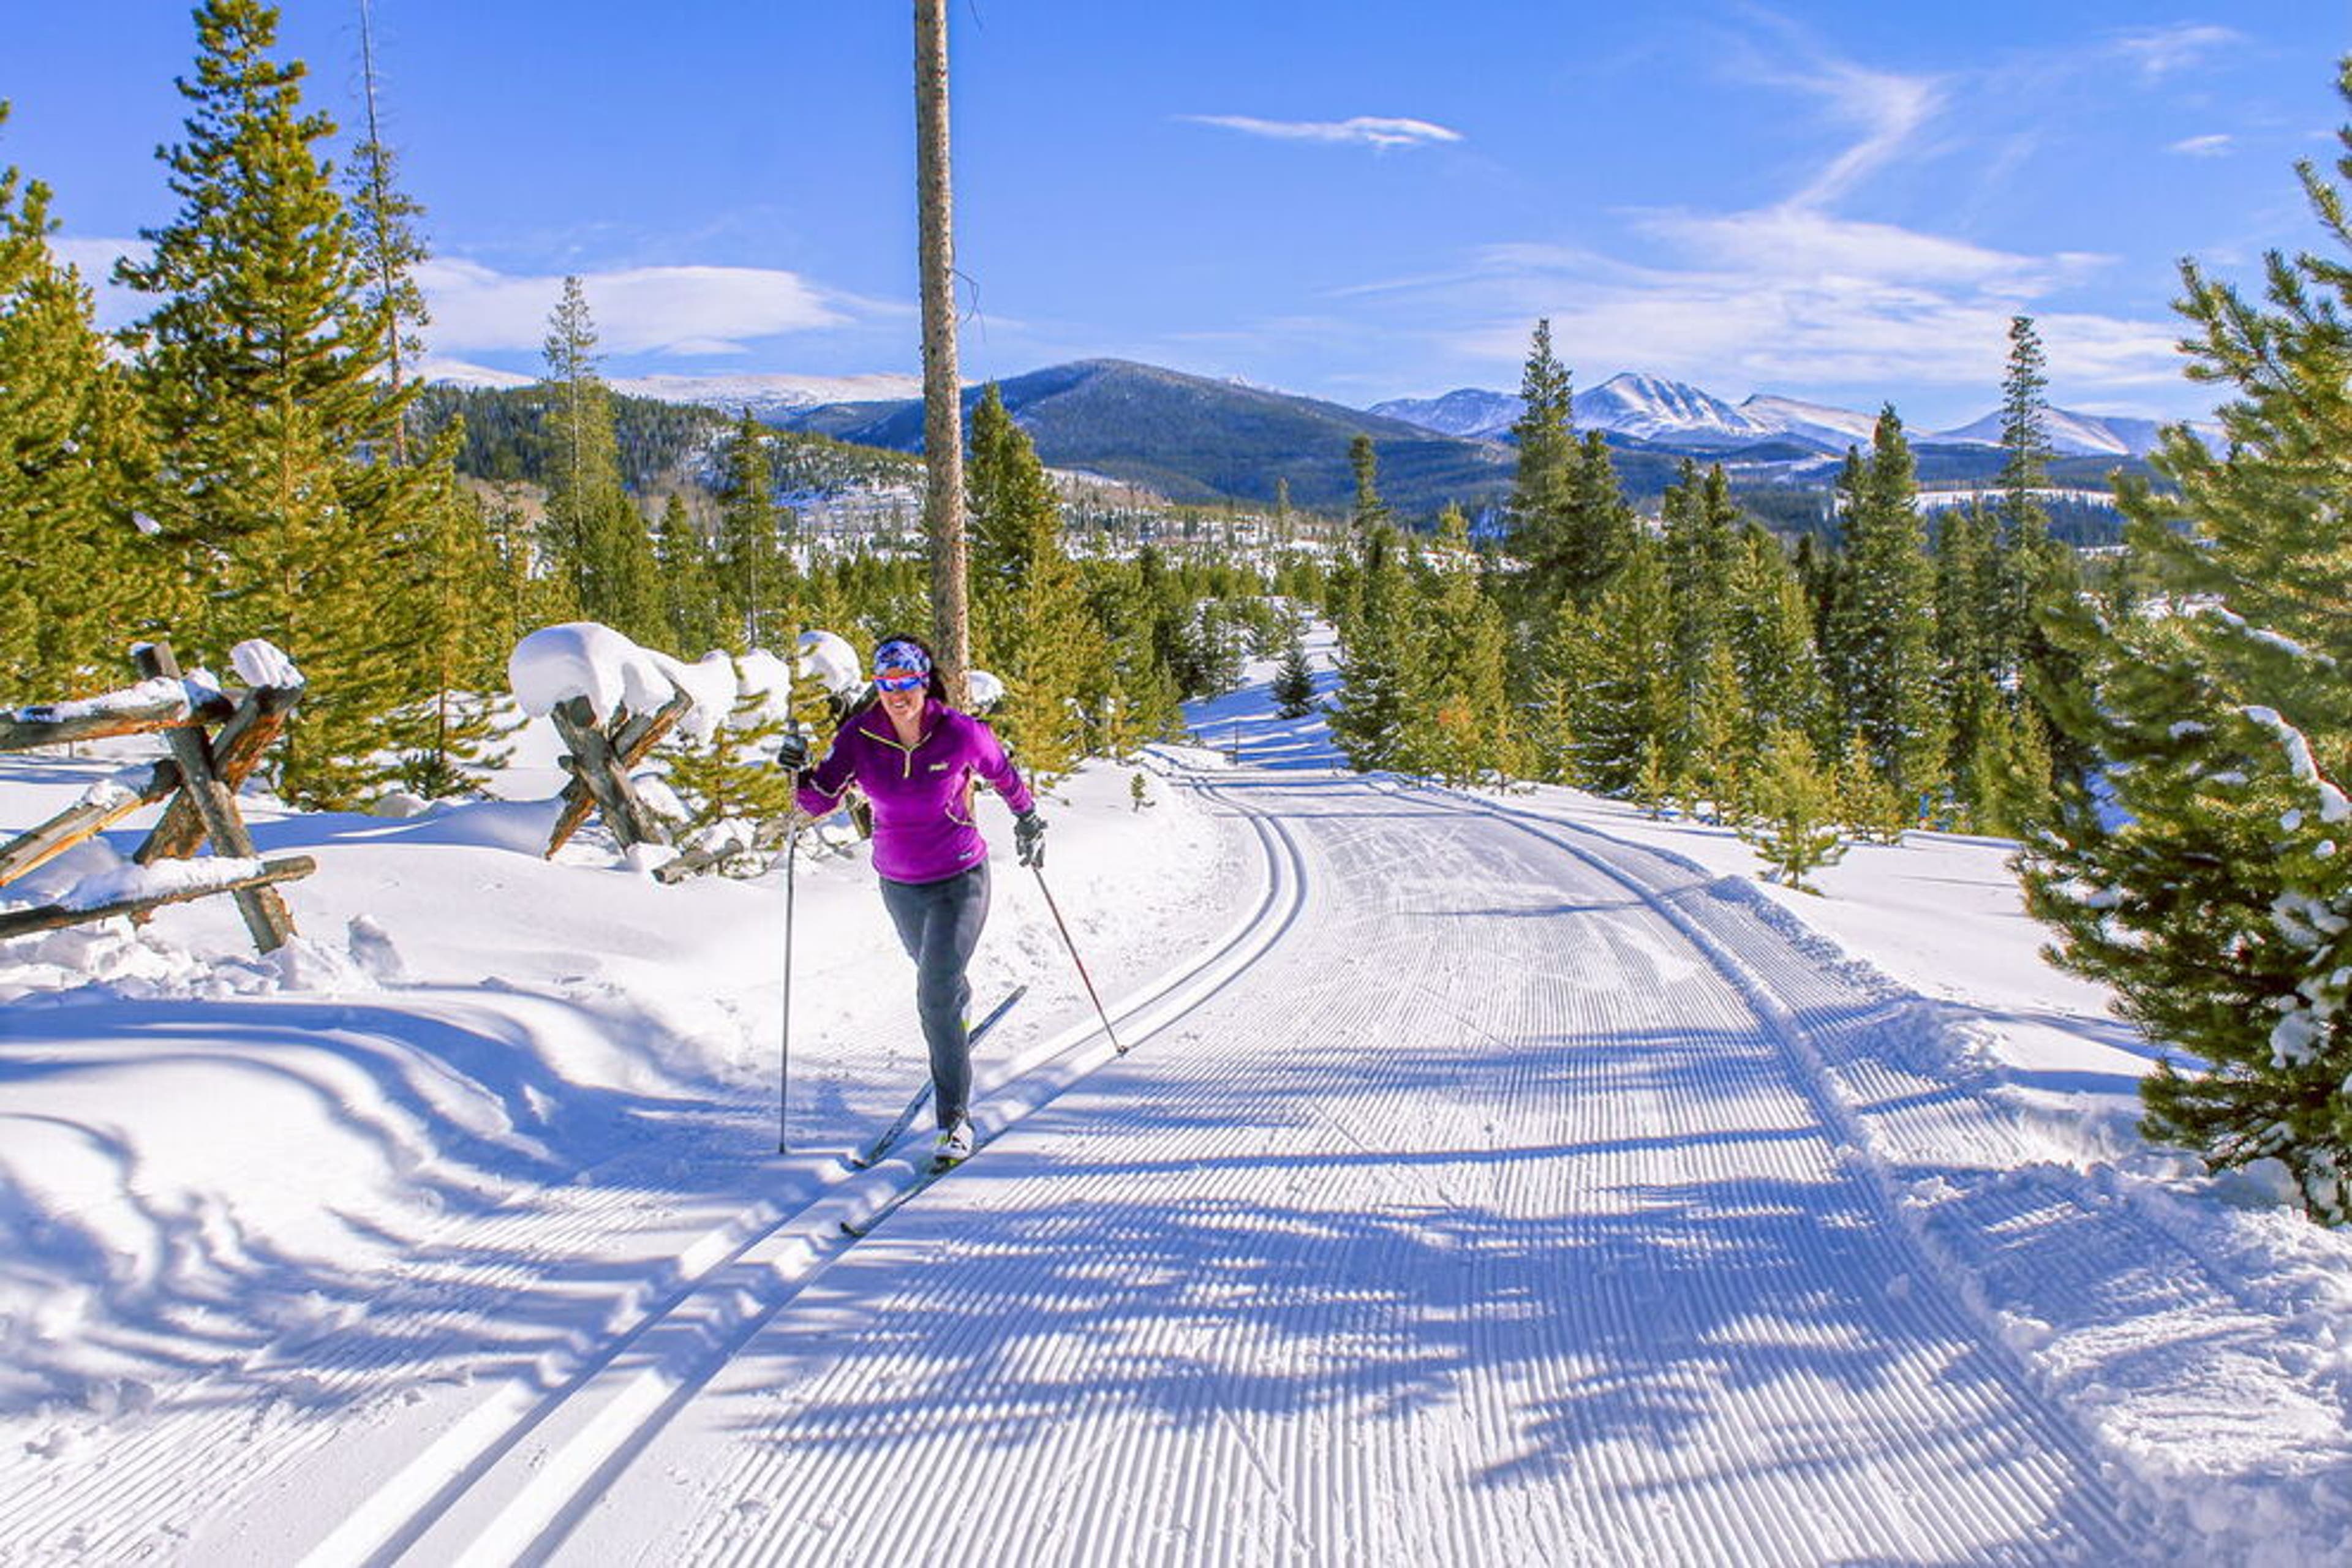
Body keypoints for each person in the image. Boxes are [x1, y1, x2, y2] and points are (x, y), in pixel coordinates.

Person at [777, 634, 1045, 1168]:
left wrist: (1028, 818)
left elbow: (1003, 773)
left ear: (923, 682)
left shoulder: (960, 733)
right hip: (898, 883)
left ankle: (954, 1122)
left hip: (961, 876)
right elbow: (819, 799)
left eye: (905, 682)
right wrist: (796, 771)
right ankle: (953, 1013)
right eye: (886, 683)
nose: (896, 693)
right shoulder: (860, 736)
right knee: (937, 982)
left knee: (935, 990)